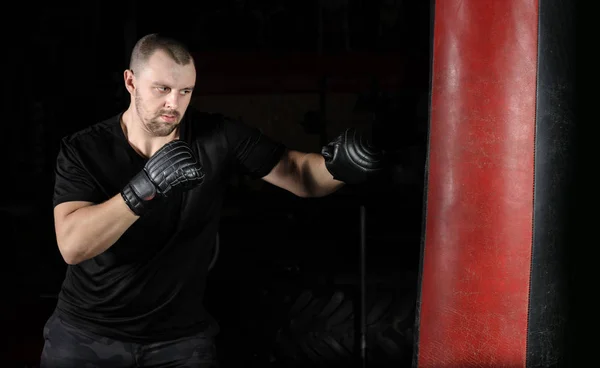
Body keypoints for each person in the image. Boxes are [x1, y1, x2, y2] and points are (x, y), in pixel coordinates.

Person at [40, 33, 386, 368]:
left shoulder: (217, 136)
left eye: (185, 91)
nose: (173, 104)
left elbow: (298, 172)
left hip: (180, 342)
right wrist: (146, 186)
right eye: (162, 89)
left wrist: (339, 167)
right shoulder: (84, 149)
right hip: (86, 336)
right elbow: (73, 245)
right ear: (131, 82)